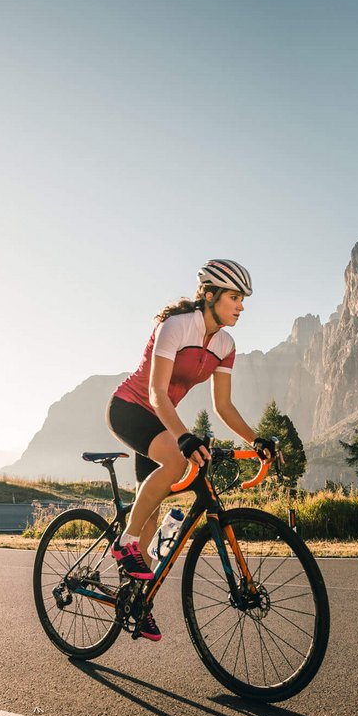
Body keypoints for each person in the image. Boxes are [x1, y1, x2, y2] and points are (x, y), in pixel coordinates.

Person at [105, 259, 276, 641]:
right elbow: (155, 392)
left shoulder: (225, 345)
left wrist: (256, 439)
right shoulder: (176, 326)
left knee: (152, 516)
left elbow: (224, 407)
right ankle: (126, 543)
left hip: (163, 423)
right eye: (234, 297)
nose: (241, 306)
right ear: (210, 295)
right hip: (131, 409)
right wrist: (184, 437)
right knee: (176, 461)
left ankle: (134, 601)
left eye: (243, 299)